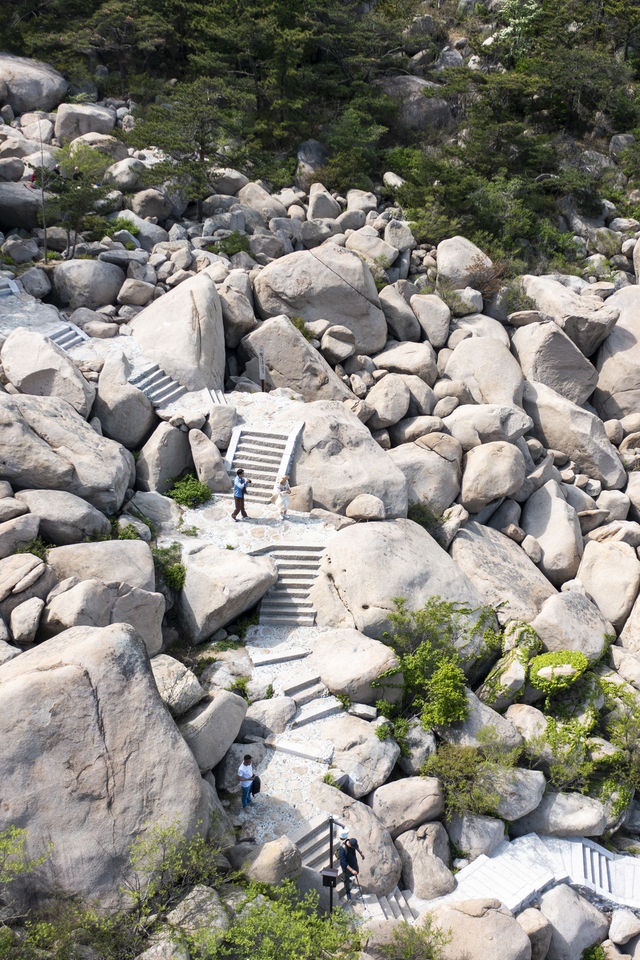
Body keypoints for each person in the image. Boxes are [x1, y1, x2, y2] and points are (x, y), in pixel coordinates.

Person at [338, 828, 365, 901]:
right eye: (354, 847)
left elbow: (357, 848)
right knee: (347, 880)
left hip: (353, 862)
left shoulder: (352, 842)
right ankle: (348, 893)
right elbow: (343, 863)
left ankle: (350, 877)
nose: (355, 848)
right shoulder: (342, 849)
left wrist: (361, 854)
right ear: (349, 844)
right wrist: (352, 870)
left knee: (356, 872)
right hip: (347, 867)